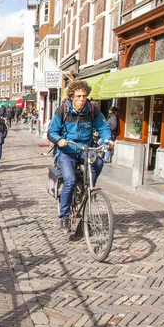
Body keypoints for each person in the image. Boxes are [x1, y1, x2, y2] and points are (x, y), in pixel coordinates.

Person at [47, 80, 114, 230]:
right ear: (71, 97)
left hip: (85, 149)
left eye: (84, 96)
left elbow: (103, 127)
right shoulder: (62, 110)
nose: (81, 99)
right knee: (69, 180)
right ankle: (64, 216)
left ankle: (86, 187)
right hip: (67, 151)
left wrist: (107, 139)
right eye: (78, 96)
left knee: (98, 162)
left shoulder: (92, 110)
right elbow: (52, 132)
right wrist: (59, 140)